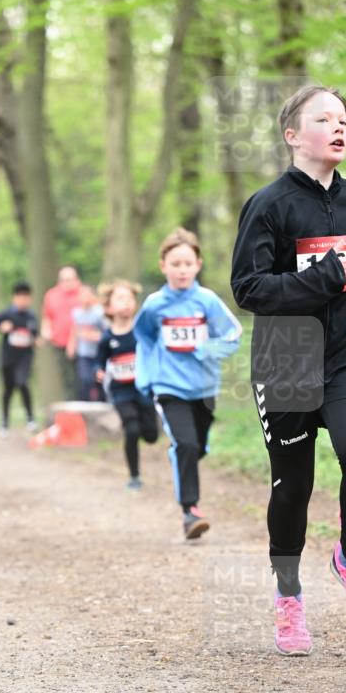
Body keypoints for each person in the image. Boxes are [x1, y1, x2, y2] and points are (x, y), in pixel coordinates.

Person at [231, 84, 346, 656]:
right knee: (293, 486)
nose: (339, 127)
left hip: (345, 352)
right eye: (324, 119)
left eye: (344, 119)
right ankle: (289, 600)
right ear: (293, 135)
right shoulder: (269, 205)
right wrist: (328, 277)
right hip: (286, 359)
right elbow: (248, 288)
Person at [135, 227, 242, 539]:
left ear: (198, 264)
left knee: (198, 446)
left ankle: (183, 454)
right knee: (187, 444)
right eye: (175, 263)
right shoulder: (154, 305)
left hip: (205, 388)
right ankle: (190, 512)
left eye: (187, 263)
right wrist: (148, 377)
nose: (181, 270)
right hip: (169, 386)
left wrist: (205, 348)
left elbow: (233, 335)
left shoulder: (207, 301)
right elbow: (143, 337)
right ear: (163, 266)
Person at [96, 280, 158, 490]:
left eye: (130, 299)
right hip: (121, 390)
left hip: (144, 388)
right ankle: (134, 476)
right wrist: (100, 370)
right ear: (108, 307)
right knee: (131, 430)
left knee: (151, 436)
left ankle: (144, 424)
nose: (126, 303)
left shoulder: (142, 330)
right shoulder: (107, 338)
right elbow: (100, 359)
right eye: (120, 299)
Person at [0, 281, 39, 434]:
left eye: (26, 297)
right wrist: (1, 328)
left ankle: (30, 418)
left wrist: (38, 339)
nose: (23, 301)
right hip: (8, 358)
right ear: (14, 298)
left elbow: (36, 336)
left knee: (22, 382)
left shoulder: (31, 316)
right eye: (20, 297)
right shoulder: (6, 314)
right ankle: (5, 422)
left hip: (25, 358)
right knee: (8, 390)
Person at [41, 265, 82, 400]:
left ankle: (82, 403)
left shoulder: (83, 294)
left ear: (77, 280)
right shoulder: (51, 295)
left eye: (70, 279)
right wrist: (46, 331)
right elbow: (47, 317)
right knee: (65, 377)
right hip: (59, 343)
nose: (68, 283)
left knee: (81, 377)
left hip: (82, 344)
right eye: (64, 280)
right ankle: (69, 406)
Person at [67, 284, 106, 401]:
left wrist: (95, 336)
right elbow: (74, 330)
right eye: (82, 296)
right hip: (84, 353)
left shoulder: (99, 313)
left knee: (99, 381)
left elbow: (106, 332)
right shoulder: (76, 313)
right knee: (85, 379)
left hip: (98, 353)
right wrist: (71, 346)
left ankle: (101, 404)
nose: (85, 299)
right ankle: (85, 405)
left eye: (88, 295)